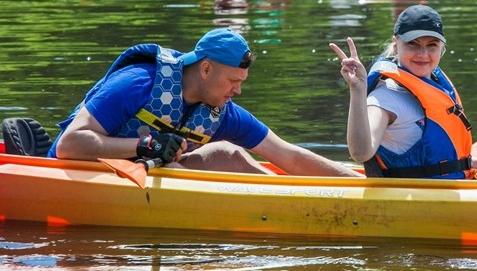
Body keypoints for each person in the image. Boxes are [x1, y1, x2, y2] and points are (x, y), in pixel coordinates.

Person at [50, 28, 362, 177]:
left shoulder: (221, 112)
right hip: (70, 174)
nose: (237, 91)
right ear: (206, 69)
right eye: (233, 82)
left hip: (143, 177)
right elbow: (69, 145)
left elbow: (288, 156)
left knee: (228, 154)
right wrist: (146, 145)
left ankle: (294, 201)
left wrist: (360, 185)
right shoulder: (137, 82)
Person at [329, 4, 477, 179]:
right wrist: (358, 89)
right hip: (416, 199)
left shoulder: (436, 85)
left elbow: (435, 163)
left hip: (453, 189)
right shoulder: (386, 97)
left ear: (441, 48)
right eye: (413, 44)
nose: (423, 54)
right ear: (396, 44)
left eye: (432, 45)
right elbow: (361, 153)